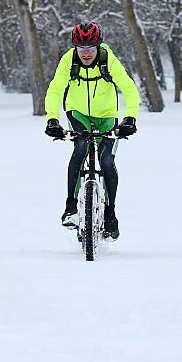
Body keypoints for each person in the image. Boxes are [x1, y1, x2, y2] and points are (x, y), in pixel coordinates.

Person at [43, 22, 141, 240]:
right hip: (77, 112)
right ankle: (71, 207)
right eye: (81, 48)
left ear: (98, 45)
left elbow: (128, 88)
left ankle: (110, 213)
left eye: (90, 48)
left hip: (107, 114)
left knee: (106, 161)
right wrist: (52, 119)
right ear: (75, 47)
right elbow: (55, 89)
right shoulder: (68, 60)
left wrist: (130, 117)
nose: (86, 53)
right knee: (80, 147)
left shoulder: (108, 60)